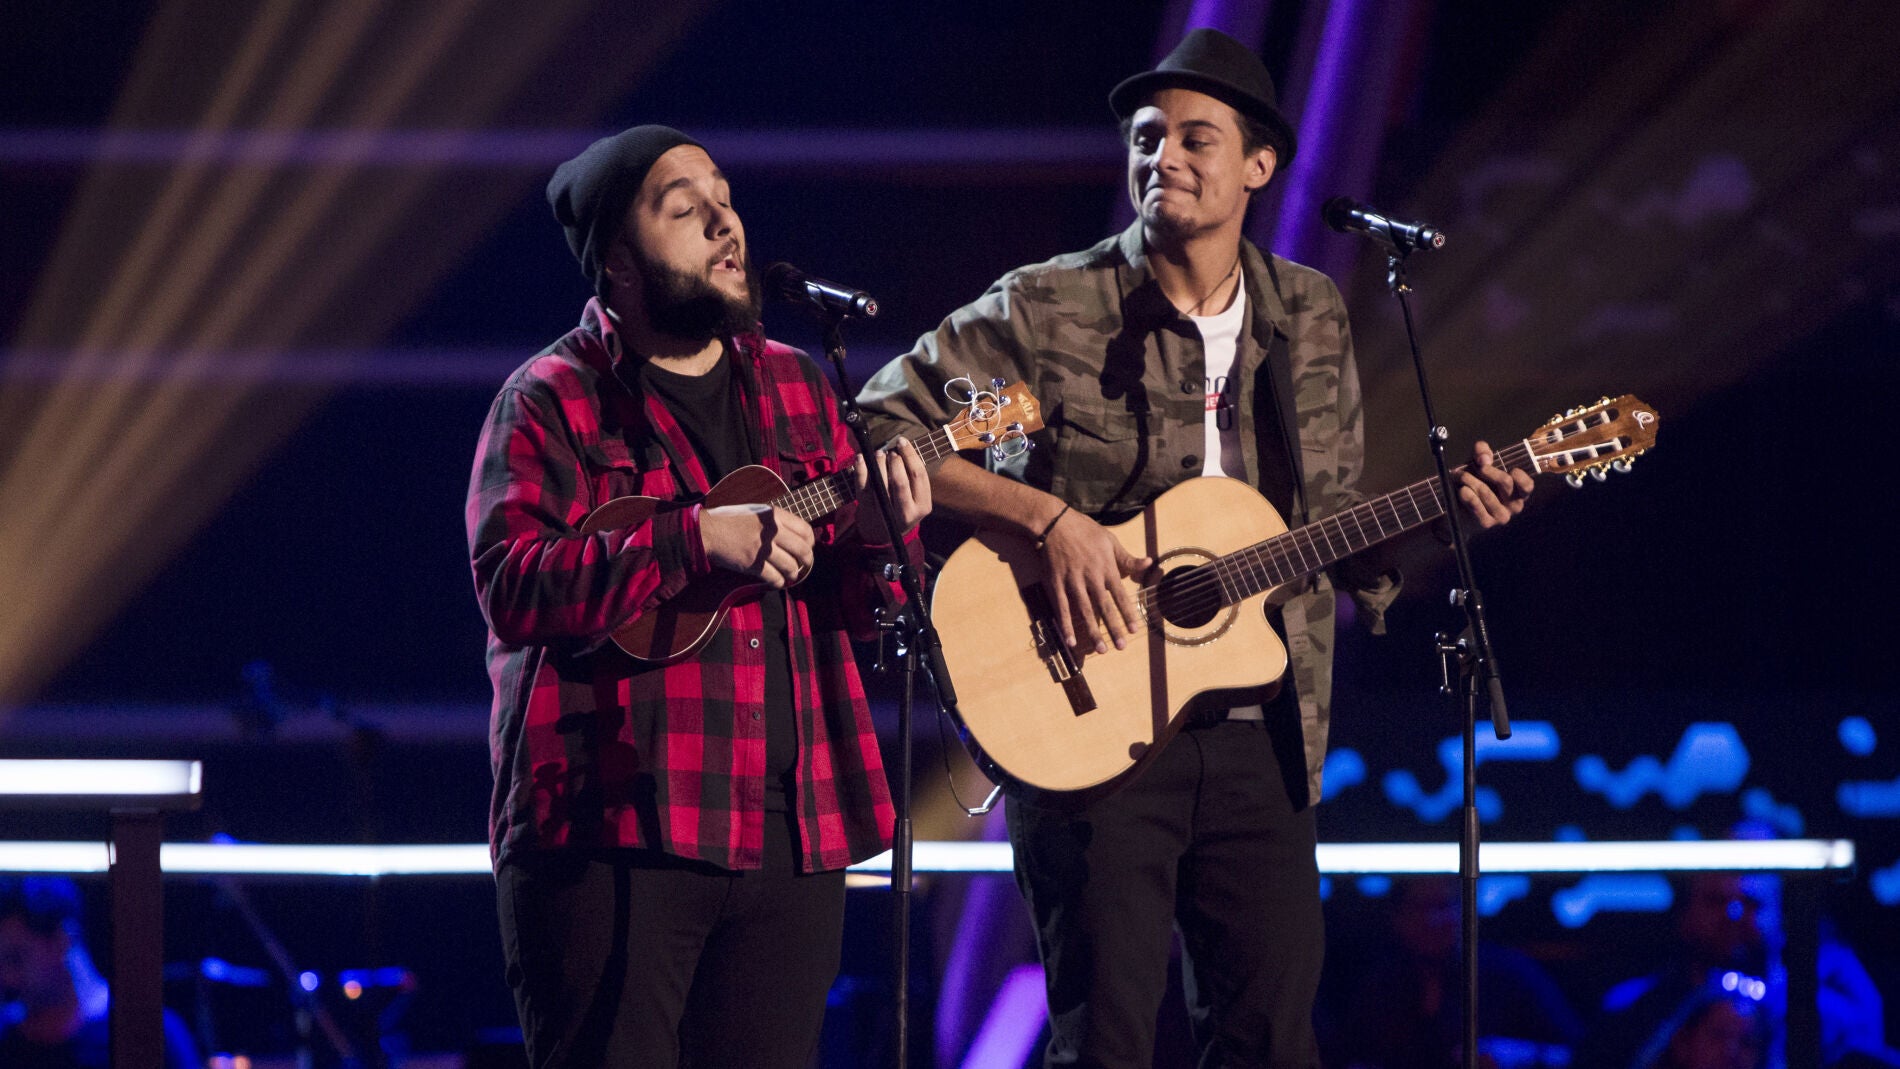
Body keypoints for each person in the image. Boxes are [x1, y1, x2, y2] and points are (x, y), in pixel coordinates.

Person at [857, 28, 1532, 1068]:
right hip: (1086, 718)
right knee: (1106, 1041)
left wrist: (1442, 516)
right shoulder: (1048, 303)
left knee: (1270, 1038)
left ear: (1259, 164)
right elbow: (878, 429)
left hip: (1262, 729)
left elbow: (1330, 519)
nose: (1161, 156)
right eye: (1145, 137)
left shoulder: (1307, 312)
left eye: (1193, 137)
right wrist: (1046, 520)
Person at [466, 124, 932, 1068]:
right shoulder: (551, 397)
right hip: (616, 828)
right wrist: (689, 538)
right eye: (684, 210)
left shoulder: (801, 385)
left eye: (724, 198)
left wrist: (884, 538)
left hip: (791, 830)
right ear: (621, 269)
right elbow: (512, 584)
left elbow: (856, 601)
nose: (725, 221)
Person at [0, 876, 200, 1069]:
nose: (5, 976)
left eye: (15, 957)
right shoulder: (6, 1036)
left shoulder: (147, 1031)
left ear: (62, 941)